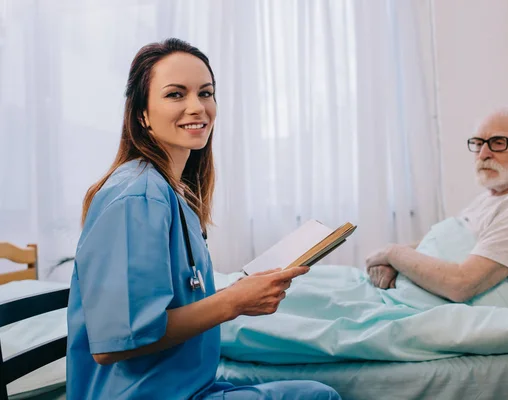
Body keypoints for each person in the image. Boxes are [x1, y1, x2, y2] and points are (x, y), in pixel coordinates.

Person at [66, 38, 341, 400]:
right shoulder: (136, 197)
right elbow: (113, 344)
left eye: (206, 93)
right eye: (176, 95)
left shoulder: (171, 191)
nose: (197, 107)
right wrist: (233, 302)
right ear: (142, 114)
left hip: (187, 386)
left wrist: (239, 294)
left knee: (314, 391)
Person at [366, 107, 508, 302]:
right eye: (478, 143)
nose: (483, 154)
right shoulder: (491, 197)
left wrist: (393, 254)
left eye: (498, 143)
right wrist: (391, 261)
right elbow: (436, 243)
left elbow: (462, 283)